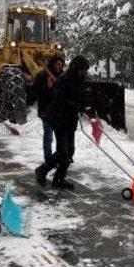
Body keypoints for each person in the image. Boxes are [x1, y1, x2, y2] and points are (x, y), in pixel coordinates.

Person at [35, 56, 90, 189]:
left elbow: (80, 97)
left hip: (70, 120)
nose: (84, 73)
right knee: (63, 153)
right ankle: (46, 172)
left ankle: (56, 177)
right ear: (76, 68)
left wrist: (86, 102)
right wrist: (74, 104)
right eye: (82, 70)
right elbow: (59, 100)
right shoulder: (63, 80)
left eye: (85, 70)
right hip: (59, 120)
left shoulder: (79, 80)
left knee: (69, 151)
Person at [33, 55, 65, 163]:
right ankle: (48, 159)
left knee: (60, 138)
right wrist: (48, 87)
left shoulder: (62, 76)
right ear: (53, 63)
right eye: (58, 64)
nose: (59, 66)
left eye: (61, 64)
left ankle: (58, 157)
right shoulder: (42, 75)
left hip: (58, 111)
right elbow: (37, 92)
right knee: (48, 136)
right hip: (46, 111)